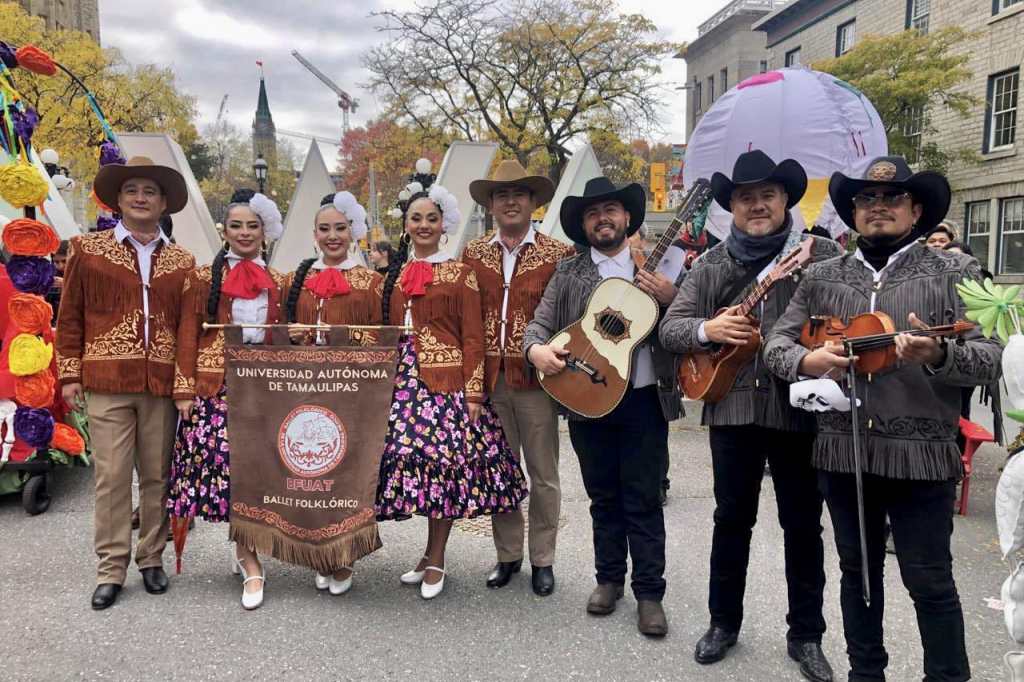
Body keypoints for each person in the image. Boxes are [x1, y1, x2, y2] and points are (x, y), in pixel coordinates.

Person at [764, 156, 1003, 681]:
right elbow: (776, 345)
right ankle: (864, 674)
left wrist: (939, 357)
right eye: (866, 200)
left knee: (930, 580)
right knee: (859, 575)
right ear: (853, 212)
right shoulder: (822, 275)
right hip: (843, 451)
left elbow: (991, 358)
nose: (877, 208)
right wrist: (807, 361)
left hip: (921, 454)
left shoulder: (956, 272)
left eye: (891, 199)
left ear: (915, 209)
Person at [659, 151, 840, 680]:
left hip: (798, 407)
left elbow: (848, 315)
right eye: (745, 198)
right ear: (732, 206)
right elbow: (673, 328)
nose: (757, 205)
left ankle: (806, 635)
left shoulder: (822, 254)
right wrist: (706, 332)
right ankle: (723, 623)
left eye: (767, 195)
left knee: (803, 525)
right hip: (733, 408)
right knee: (731, 520)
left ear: (785, 199)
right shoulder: (712, 263)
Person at [524, 177, 682, 637]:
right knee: (603, 497)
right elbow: (538, 325)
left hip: (643, 399)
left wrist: (670, 300)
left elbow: (686, 327)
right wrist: (536, 352)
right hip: (586, 392)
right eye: (593, 213)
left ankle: (650, 593)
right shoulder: (568, 272)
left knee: (645, 499)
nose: (602, 219)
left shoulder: (655, 269)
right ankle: (609, 579)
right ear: (584, 224)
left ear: (627, 217)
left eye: (610, 210)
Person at [376, 181, 527, 600]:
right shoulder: (393, 274)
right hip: (398, 382)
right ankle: (426, 554)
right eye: (416, 218)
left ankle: (438, 556)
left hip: (445, 383)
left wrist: (474, 392)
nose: (424, 225)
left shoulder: (461, 274)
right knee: (412, 468)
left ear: (444, 225)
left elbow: (474, 337)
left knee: (442, 469)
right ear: (405, 226)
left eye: (432, 218)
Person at [56, 156, 195, 610]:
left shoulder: (181, 261)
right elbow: (70, 315)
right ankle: (110, 568)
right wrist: (69, 373)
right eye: (132, 189)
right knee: (111, 478)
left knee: (156, 476)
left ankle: (150, 558)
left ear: (163, 203)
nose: (140, 197)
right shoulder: (87, 249)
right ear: (117, 199)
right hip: (107, 379)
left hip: (160, 383)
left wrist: (185, 383)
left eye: (150, 191)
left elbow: (189, 328)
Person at [169, 189, 285, 610]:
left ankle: (250, 543)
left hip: (266, 386)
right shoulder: (202, 278)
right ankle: (249, 558)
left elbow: (282, 333)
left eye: (252, 225)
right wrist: (184, 388)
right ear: (224, 230)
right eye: (236, 225)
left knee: (259, 472)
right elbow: (187, 333)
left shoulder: (281, 279)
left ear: (264, 231)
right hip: (216, 384)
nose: (244, 233)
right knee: (230, 471)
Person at [463, 160, 573, 596]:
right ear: (491, 205)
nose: (510, 202)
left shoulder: (557, 254)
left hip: (537, 381)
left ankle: (542, 558)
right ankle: (507, 554)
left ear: (532, 203)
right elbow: (464, 319)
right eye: (501, 195)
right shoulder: (473, 254)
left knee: (543, 473)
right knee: (502, 469)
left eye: (519, 194)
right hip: (490, 381)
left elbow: (569, 317)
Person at [283, 191, 383, 593]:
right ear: (314, 234)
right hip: (305, 390)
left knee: (348, 478)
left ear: (353, 232)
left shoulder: (372, 282)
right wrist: (295, 337)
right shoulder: (298, 280)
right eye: (324, 229)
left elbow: (382, 339)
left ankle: (344, 557)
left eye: (339, 228)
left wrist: (338, 337)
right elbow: (282, 333)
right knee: (311, 474)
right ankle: (318, 551)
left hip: (354, 393)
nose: (332, 236)